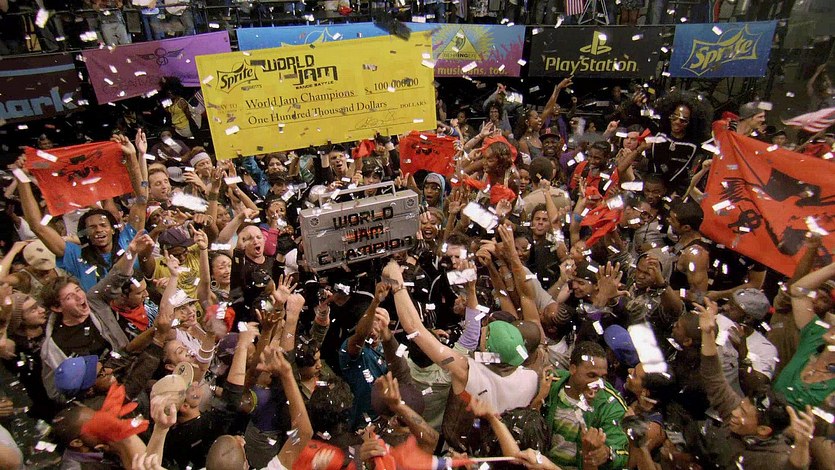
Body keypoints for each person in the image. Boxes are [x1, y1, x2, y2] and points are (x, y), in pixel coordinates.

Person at [540, 341, 630, 469]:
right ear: (573, 369)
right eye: (592, 375)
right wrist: (538, 400)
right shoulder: (550, 383)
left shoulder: (612, 405)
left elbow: (621, 453)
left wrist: (607, 453)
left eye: (602, 377)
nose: (598, 383)